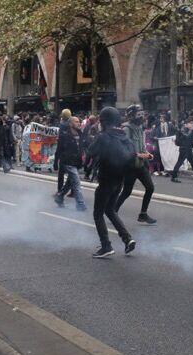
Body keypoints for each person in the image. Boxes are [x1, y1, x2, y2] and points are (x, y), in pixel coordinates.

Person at [89, 106, 136, 258]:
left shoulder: (104, 136)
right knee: (110, 210)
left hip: (106, 180)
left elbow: (90, 151)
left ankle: (106, 245)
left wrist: (93, 137)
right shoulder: (124, 136)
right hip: (119, 180)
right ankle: (127, 239)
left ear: (103, 121)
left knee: (98, 213)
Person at [117, 107, 158, 224]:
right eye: (138, 114)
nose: (141, 116)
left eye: (142, 114)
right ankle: (113, 210)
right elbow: (124, 149)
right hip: (130, 166)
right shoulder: (126, 129)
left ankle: (143, 214)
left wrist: (146, 153)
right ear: (131, 116)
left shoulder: (140, 128)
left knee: (150, 188)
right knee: (126, 192)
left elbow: (141, 145)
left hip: (140, 165)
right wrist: (139, 155)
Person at [53, 116, 86, 211]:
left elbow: (83, 146)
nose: (79, 123)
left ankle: (59, 197)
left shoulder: (80, 133)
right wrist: (56, 163)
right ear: (71, 124)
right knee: (76, 181)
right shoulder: (64, 135)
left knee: (70, 182)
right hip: (67, 161)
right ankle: (80, 204)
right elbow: (59, 149)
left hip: (76, 162)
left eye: (79, 121)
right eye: (76, 122)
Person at [170, 117, 193, 183]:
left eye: (192, 123)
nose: (192, 125)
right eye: (190, 123)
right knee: (179, 163)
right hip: (184, 148)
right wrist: (191, 130)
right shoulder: (183, 129)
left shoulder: (189, 129)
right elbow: (187, 136)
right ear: (186, 124)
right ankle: (174, 177)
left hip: (188, 148)